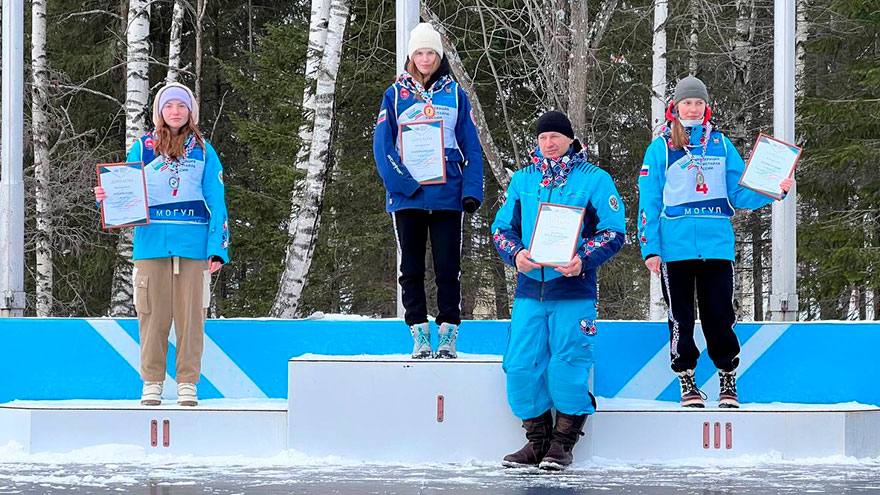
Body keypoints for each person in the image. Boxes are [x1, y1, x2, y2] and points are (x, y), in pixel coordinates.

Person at [637, 75, 793, 409]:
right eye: (686, 103)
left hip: (717, 245)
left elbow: (739, 192)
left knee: (720, 315)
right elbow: (648, 200)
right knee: (681, 316)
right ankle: (686, 377)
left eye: (698, 103)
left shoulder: (721, 145)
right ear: (675, 107)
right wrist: (650, 248)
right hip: (674, 247)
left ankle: (726, 376)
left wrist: (775, 188)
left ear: (706, 107)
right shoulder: (661, 146)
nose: (692, 108)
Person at [491, 111, 626, 470]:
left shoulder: (594, 179)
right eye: (542, 138)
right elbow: (501, 228)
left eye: (554, 137)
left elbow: (613, 231)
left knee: (568, 364)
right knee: (519, 365)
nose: (548, 144)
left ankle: (562, 444)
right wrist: (515, 254)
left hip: (573, 290)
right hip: (529, 291)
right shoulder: (523, 180)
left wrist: (583, 259)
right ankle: (536, 442)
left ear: (570, 139)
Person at [95, 82, 229, 406]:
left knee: (191, 318)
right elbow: (125, 189)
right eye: (169, 106)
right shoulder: (143, 147)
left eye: (181, 106)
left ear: (190, 112)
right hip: (151, 245)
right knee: (152, 316)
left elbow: (217, 199)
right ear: (159, 112)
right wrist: (106, 198)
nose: (175, 112)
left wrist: (217, 248)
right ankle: (152, 381)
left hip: (193, 247)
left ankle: (187, 382)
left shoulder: (203, 149)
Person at [372, 23, 484, 359]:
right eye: (419, 52)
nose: (425, 58)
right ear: (411, 55)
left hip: (447, 194)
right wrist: (403, 184)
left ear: (439, 55)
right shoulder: (394, 95)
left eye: (430, 52)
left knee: (449, 267)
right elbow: (382, 146)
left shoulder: (456, 95)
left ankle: (448, 332)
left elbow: (472, 146)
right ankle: (419, 332)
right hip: (409, 196)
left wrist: (471, 190)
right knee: (411, 269)